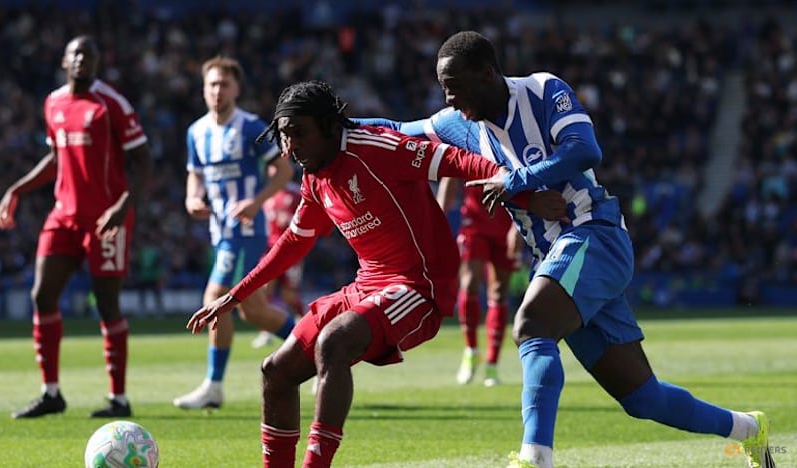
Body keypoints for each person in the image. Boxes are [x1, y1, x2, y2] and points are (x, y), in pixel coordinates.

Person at [361, 31, 775, 468]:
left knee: (532, 323)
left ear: (487, 74)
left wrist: (516, 181)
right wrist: (342, 128)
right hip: (558, 257)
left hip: (594, 234)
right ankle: (750, 428)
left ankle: (534, 459)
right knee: (642, 397)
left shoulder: (542, 90)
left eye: (455, 86)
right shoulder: (457, 125)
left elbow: (585, 151)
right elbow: (397, 132)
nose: (448, 97)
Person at [186, 80, 566, 468]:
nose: (289, 149)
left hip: (420, 288)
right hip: (366, 284)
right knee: (276, 371)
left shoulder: (378, 148)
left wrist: (524, 193)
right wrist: (233, 297)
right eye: (284, 137)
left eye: (298, 134)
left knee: (333, 342)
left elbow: (459, 160)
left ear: (330, 127)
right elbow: (293, 243)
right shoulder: (315, 177)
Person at [0, 35, 152, 419]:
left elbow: (144, 162)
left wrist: (123, 205)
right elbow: (55, 156)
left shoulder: (111, 104)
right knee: (41, 295)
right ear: (64, 61)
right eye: (75, 54)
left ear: (97, 62)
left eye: (89, 54)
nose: (82, 59)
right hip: (64, 215)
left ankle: (119, 399)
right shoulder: (53, 102)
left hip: (106, 220)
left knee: (107, 303)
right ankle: (51, 393)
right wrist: (17, 189)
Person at [173, 56, 296, 410]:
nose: (217, 90)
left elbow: (283, 170)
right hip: (220, 230)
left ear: (236, 89)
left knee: (216, 296)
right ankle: (315, 346)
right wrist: (191, 197)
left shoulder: (250, 127)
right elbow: (194, 173)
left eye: (224, 84)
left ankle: (213, 385)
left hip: (246, 231)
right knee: (252, 311)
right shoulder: (196, 132)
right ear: (203, 89)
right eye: (211, 84)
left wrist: (256, 203)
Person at [436, 178, 517, 386]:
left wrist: (518, 227)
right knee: (470, 282)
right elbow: (450, 177)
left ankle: (492, 363)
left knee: (499, 291)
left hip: (506, 223)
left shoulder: (510, 146)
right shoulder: (471, 144)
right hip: (474, 222)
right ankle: (471, 350)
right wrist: (437, 218)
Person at [251, 180, 305, 349]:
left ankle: (303, 323)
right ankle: (266, 331)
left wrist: (290, 221)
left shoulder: (296, 193)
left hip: (290, 250)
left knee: (289, 294)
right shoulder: (265, 194)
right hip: (269, 251)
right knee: (264, 289)